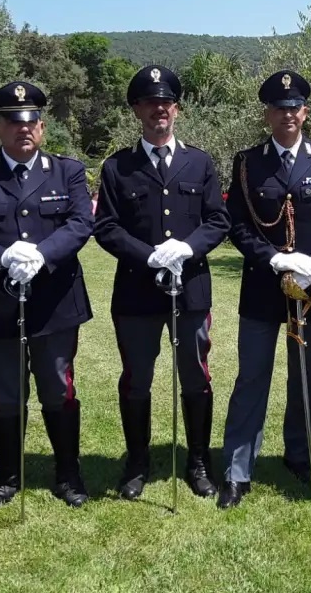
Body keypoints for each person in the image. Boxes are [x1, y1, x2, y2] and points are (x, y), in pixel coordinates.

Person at [0, 80, 94, 511]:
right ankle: (7, 478)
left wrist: (42, 255)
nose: (22, 128)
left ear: (42, 127)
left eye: (30, 121)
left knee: (58, 389)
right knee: (6, 393)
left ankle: (68, 474)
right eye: (12, 121)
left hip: (54, 302)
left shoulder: (67, 171)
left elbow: (80, 223)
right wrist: (3, 256)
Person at [94, 65, 230, 501]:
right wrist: (147, 254)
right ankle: (137, 463)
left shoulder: (199, 162)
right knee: (137, 378)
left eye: (167, 103)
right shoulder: (118, 166)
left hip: (191, 289)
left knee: (195, 375)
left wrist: (187, 248)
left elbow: (218, 220)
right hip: (137, 291)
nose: (160, 110)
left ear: (177, 109)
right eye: (151, 103)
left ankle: (198, 462)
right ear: (137, 109)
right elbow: (106, 227)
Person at [217, 69, 311, 509]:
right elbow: (236, 223)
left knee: (306, 378)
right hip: (263, 285)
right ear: (267, 115)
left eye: (294, 108)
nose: (287, 115)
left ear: (305, 112)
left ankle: (298, 453)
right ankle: (238, 469)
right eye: (279, 108)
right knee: (252, 377)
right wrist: (272, 258)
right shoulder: (247, 162)